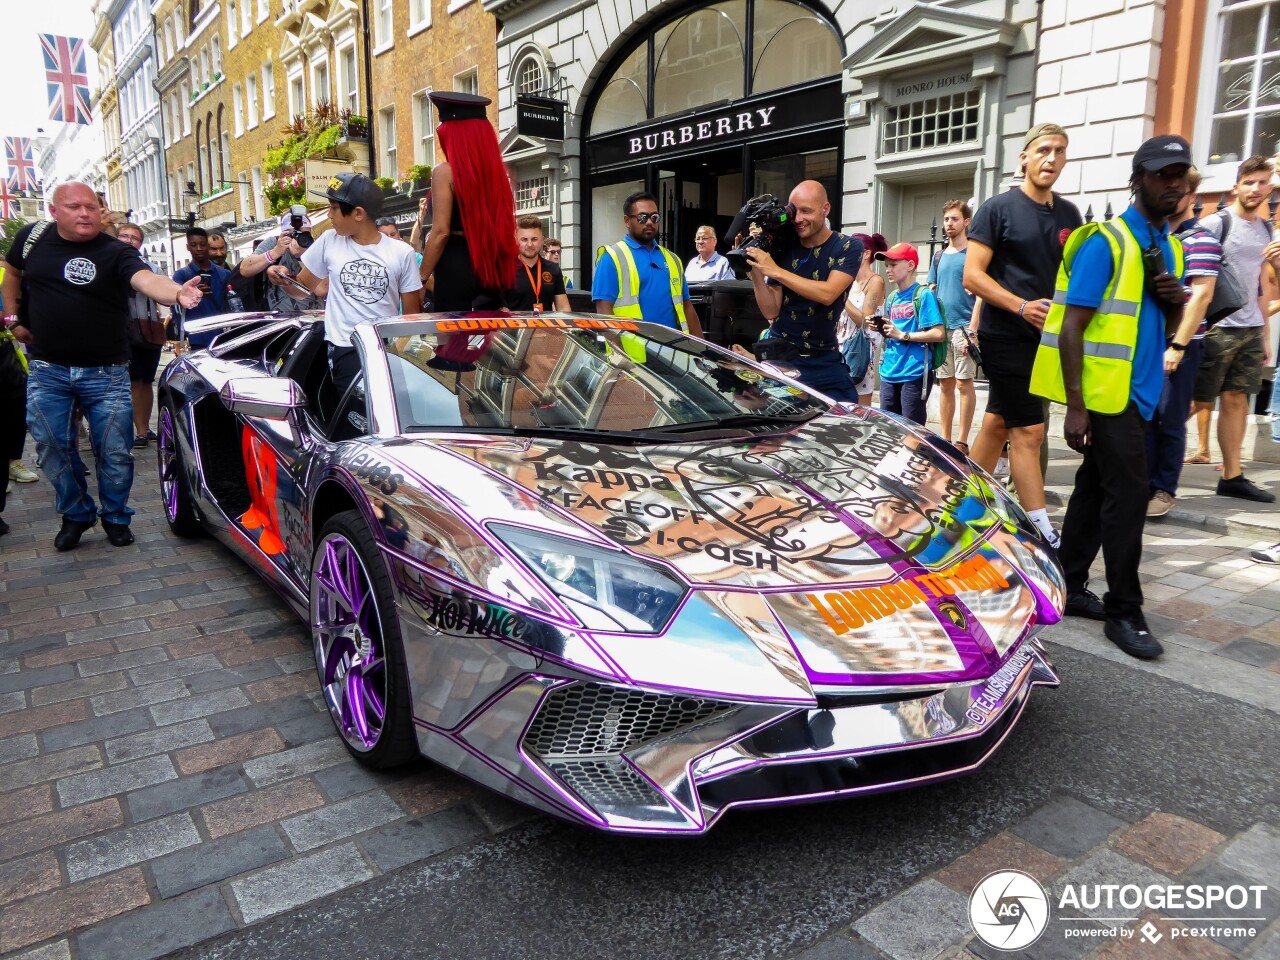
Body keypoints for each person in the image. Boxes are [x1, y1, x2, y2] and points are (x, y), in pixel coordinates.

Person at [1031, 135, 1191, 659]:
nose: (1174, 184)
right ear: (1138, 178)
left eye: (1180, 175)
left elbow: (1159, 327)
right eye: (1162, 174)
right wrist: (1075, 406)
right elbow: (1073, 327)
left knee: (1095, 488)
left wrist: (1174, 304)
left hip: (1145, 392)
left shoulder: (1170, 247)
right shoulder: (1106, 241)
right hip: (1107, 396)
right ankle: (1125, 609)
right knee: (1128, 498)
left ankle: (1070, 583)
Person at [1, 181, 202, 550]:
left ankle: (115, 516)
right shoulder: (32, 239)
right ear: (54, 211)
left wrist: (177, 293)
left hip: (106, 372)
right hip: (48, 369)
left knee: (114, 449)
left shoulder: (115, 251)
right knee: (51, 445)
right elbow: (12, 272)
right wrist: (12, 317)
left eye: (91, 207)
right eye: (74, 207)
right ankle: (76, 513)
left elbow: (146, 279)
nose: (84, 214)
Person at [965, 122, 1082, 546]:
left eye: (1060, 151)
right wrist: (1019, 305)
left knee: (998, 422)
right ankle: (1042, 532)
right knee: (1029, 432)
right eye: (1044, 150)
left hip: (1049, 339)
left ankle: (961, 506)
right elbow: (972, 276)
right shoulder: (997, 209)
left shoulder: (1070, 215)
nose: (1052, 158)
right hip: (1005, 334)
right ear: (1025, 157)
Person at [267, 172, 422, 393]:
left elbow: (411, 318)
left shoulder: (402, 253)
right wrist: (282, 279)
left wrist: (403, 360)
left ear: (358, 213)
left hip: (387, 353)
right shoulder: (329, 241)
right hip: (344, 350)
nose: (329, 215)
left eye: (334, 208)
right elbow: (303, 290)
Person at [1193, 156, 1277, 503]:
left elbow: (1263, 286)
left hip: (1251, 328)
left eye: (1262, 182)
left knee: (1237, 400)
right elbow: (1191, 274)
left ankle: (1232, 475)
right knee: (1192, 400)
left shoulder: (1267, 230)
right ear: (1236, 186)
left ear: (1270, 187)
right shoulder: (1215, 223)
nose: (1256, 189)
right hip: (1216, 328)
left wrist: (1266, 335)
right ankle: (1143, 464)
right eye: (1250, 182)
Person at [745, 180, 861, 400]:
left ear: (825, 209)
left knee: (846, 417)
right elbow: (770, 311)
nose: (798, 219)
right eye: (794, 211)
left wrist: (775, 270)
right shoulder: (784, 246)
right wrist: (757, 269)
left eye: (806, 211)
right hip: (784, 357)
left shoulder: (848, 246)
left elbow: (828, 294)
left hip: (826, 357)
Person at [1147, 169, 1219, 517]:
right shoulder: (1158, 237)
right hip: (1150, 339)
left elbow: (1201, 297)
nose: (1172, 195)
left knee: (1171, 418)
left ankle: (1163, 489)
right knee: (1148, 415)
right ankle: (1144, 483)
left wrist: (1177, 347)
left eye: (1180, 190)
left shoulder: (1201, 240)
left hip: (1182, 344)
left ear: (1193, 198)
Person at [417, 92, 516, 310]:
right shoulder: (496, 175)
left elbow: (440, 232)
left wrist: (420, 278)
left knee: (451, 340)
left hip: (455, 265)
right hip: (489, 265)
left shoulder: (445, 173)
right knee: (485, 339)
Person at [593, 191, 704, 337]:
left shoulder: (673, 260)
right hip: (631, 355)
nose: (649, 222)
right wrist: (619, 356)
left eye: (654, 217)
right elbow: (604, 312)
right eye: (642, 217)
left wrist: (703, 352)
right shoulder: (611, 258)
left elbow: (687, 307)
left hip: (674, 353)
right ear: (627, 221)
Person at [928, 200, 981, 452]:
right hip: (942, 329)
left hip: (964, 329)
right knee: (945, 383)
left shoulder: (973, 253)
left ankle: (962, 441)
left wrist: (973, 329)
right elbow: (931, 288)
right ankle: (946, 440)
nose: (950, 224)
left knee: (964, 383)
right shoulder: (938, 256)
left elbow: (981, 293)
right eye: (947, 219)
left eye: (955, 219)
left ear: (966, 222)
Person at [874, 243, 945, 423]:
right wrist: (882, 328)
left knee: (912, 431)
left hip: (914, 372)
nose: (888, 270)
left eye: (893, 265)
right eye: (887, 265)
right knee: (888, 429)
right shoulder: (891, 297)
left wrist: (902, 335)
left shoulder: (923, 295)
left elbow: (938, 333)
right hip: (889, 371)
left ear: (911, 265)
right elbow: (894, 333)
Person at [118, 223, 169, 449]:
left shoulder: (151, 268)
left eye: (134, 238)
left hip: (148, 329)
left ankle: (144, 428)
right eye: (124, 236)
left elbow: (163, 299)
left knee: (146, 380)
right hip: (119, 330)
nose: (129, 240)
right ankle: (132, 429)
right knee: (130, 381)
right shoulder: (108, 265)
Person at [240, 213, 325, 313]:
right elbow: (245, 269)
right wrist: (275, 252)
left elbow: (321, 290)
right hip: (280, 319)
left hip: (312, 318)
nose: (301, 239)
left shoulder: (315, 247)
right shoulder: (274, 243)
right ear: (285, 233)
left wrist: (305, 257)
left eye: (305, 234)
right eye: (296, 234)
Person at [841, 233, 888, 406]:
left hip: (860, 350)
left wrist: (842, 298)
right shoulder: (848, 281)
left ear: (866, 254)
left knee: (860, 406)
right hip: (839, 347)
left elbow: (864, 319)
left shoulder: (875, 281)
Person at [172, 227, 233, 349]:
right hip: (195, 338)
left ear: (207, 245)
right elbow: (176, 308)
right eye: (193, 245)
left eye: (203, 244)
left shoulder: (225, 274)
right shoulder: (181, 275)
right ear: (188, 247)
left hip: (222, 337)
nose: (199, 249)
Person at [510, 215, 570, 312]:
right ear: (516, 240)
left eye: (534, 239)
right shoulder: (505, 270)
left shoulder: (553, 269)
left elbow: (563, 308)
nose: (529, 244)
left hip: (545, 327)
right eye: (524, 240)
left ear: (542, 240)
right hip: (516, 327)